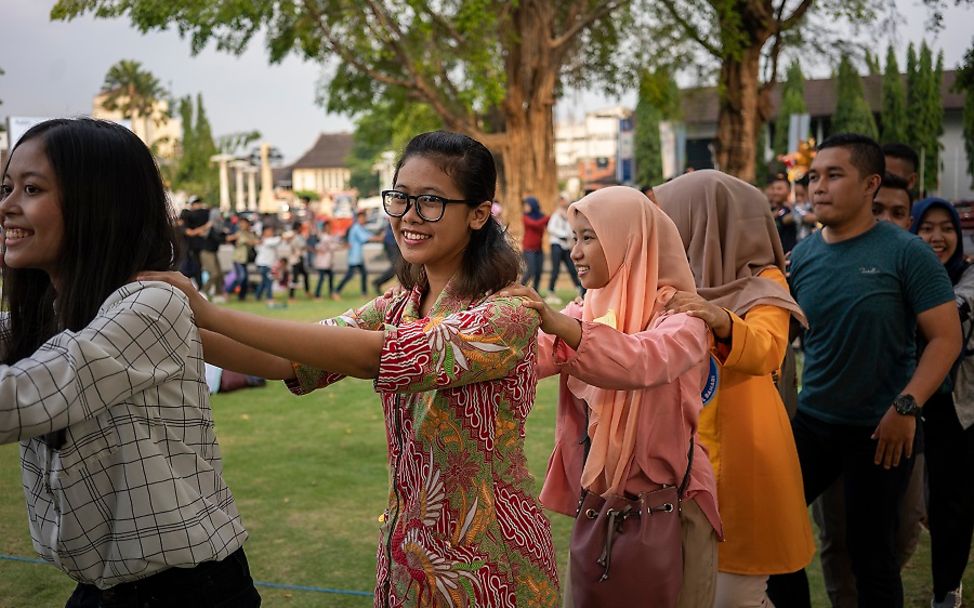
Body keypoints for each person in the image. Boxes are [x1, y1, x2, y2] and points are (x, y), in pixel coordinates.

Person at [144, 131, 560, 606]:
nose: (408, 216)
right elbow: (287, 360)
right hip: (409, 559)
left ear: (479, 213)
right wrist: (165, 320)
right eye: (400, 197)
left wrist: (209, 312)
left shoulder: (506, 313)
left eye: (430, 201)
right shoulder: (399, 305)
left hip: (490, 566)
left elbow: (376, 355)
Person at [0, 118, 259, 607]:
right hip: (102, 590)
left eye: (31, 189)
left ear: (96, 204)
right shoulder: (50, 312)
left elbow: (21, 398)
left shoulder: (149, 304)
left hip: (185, 592)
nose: (8, 205)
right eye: (7, 187)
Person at [766, 133, 961, 608]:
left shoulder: (906, 252)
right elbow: (782, 338)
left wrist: (906, 406)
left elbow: (946, 338)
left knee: (872, 556)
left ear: (871, 184)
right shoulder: (805, 255)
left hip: (881, 428)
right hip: (814, 422)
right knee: (772, 533)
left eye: (834, 175)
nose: (818, 186)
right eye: (813, 176)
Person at [509, 186, 721, 608]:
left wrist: (563, 329)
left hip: (671, 514)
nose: (576, 252)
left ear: (630, 240)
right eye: (574, 238)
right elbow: (528, 357)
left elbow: (642, 361)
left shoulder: (684, 318)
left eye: (590, 237)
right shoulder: (584, 311)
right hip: (601, 511)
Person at [655, 170, 815, 608]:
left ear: (708, 221)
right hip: (684, 460)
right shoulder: (672, 285)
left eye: (669, 220)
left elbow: (766, 350)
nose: (661, 233)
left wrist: (719, 318)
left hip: (746, 461)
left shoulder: (765, 283)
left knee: (734, 593)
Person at [911, 198, 974, 608]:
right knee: (911, 502)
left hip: (956, 406)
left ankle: (946, 589)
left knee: (953, 499)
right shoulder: (901, 274)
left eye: (946, 228)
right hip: (906, 401)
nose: (937, 237)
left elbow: (958, 308)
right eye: (927, 228)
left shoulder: (968, 276)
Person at [545, 194, 583, 305]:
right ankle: (551, 291)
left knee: (572, 268)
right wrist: (563, 234)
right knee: (555, 270)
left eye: (564, 200)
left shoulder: (569, 215)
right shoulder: (556, 214)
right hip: (557, 244)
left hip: (566, 246)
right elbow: (551, 228)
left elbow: (571, 230)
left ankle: (580, 289)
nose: (562, 202)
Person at [333, 210, 375, 299]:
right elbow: (365, 238)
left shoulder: (360, 227)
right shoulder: (356, 228)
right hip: (354, 256)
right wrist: (379, 238)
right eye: (362, 218)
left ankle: (364, 293)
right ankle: (336, 291)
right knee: (349, 275)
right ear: (358, 218)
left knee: (363, 273)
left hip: (358, 256)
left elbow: (369, 235)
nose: (363, 219)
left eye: (364, 217)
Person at [520, 195, 549, 291]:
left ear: (533, 205)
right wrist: (547, 217)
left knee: (538, 272)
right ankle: (519, 288)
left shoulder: (541, 217)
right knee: (531, 271)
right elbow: (535, 224)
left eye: (527, 205)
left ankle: (535, 292)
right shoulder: (525, 217)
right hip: (528, 249)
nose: (526, 207)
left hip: (538, 249)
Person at [227, 215, 258, 301]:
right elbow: (229, 238)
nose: (242, 225)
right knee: (241, 277)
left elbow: (255, 241)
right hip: (238, 259)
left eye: (244, 223)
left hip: (245, 259)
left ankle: (242, 297)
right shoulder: (239, 233)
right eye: (241, 223)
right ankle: (227, 291)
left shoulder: (250, 233)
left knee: (245, 279)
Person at [767, 174, 798, 255]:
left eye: (779, 189)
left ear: (788, 191)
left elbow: (785, 220)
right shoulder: (769, 209)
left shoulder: (789, 209)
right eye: (773, 188)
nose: (775, 192)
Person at [371, 218, 402, 294]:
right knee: (396, 267)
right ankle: (377, 282)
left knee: (399, 267)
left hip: (394, 243)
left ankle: (378, 282)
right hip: (391, 243)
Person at [311, 219, 338, 299]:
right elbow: (321, 247)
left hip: (327, 261)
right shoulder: (324, 237)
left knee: (330, 277)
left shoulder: (329, 236)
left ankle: (330, 293)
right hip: (322, 262)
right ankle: (317, 295)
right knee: (322, 278)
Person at [253, 225, 280, 301]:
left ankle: (257, 296)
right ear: (264, 232)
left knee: (264, 282)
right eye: (269, 231)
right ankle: (269, 297)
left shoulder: (263, 241)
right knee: (268, 281)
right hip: (264, 264)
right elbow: (277, 240)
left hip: (266, 264)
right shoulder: (265, 241)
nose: (271, 232)